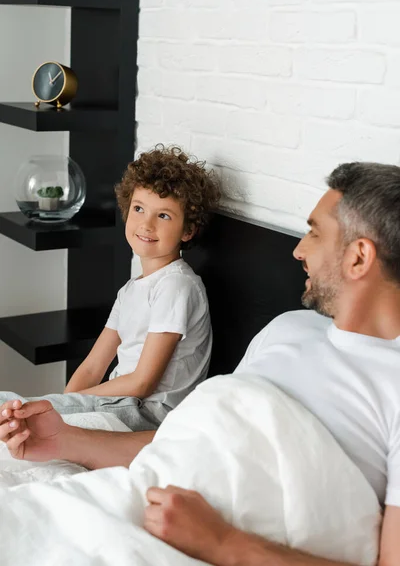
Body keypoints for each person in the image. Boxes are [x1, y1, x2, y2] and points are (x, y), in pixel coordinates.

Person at [1, 161, 400, 565]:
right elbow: (188, 440)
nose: (298, 249)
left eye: (315, 233)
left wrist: (222, 543)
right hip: (142, 497)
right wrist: (66, 440)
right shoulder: (287, 329)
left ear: (359, 258)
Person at [0, 144, 220, 431]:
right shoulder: (131, 290)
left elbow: (142, 383)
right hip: (119, 403)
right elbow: (93, 367)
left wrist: (64, 406)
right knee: (15, 409)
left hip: (149, 415)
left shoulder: (177, 285)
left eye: (163, 215)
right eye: (139, 209)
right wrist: (63, 406)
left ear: (188, 230)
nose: (146, 224)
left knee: (17, 412)